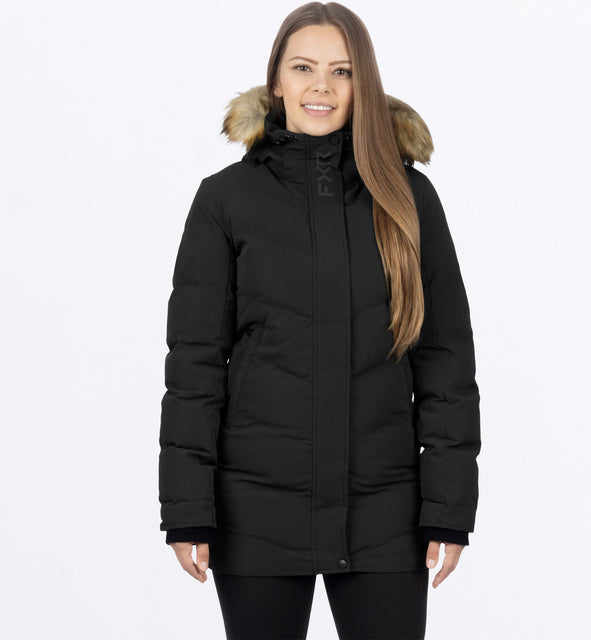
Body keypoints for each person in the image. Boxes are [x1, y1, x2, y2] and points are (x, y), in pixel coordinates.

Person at [158, 2, 481, 638]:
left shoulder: (409, 197)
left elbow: (446, 360)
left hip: (385, 509)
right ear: (276, 81)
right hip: (256, 507)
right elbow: (194, 364)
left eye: (342, 71)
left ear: (364, 84)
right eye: (303, 68)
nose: (322, 87)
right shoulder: (225, 199)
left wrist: (448, 507)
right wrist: (188, 506)